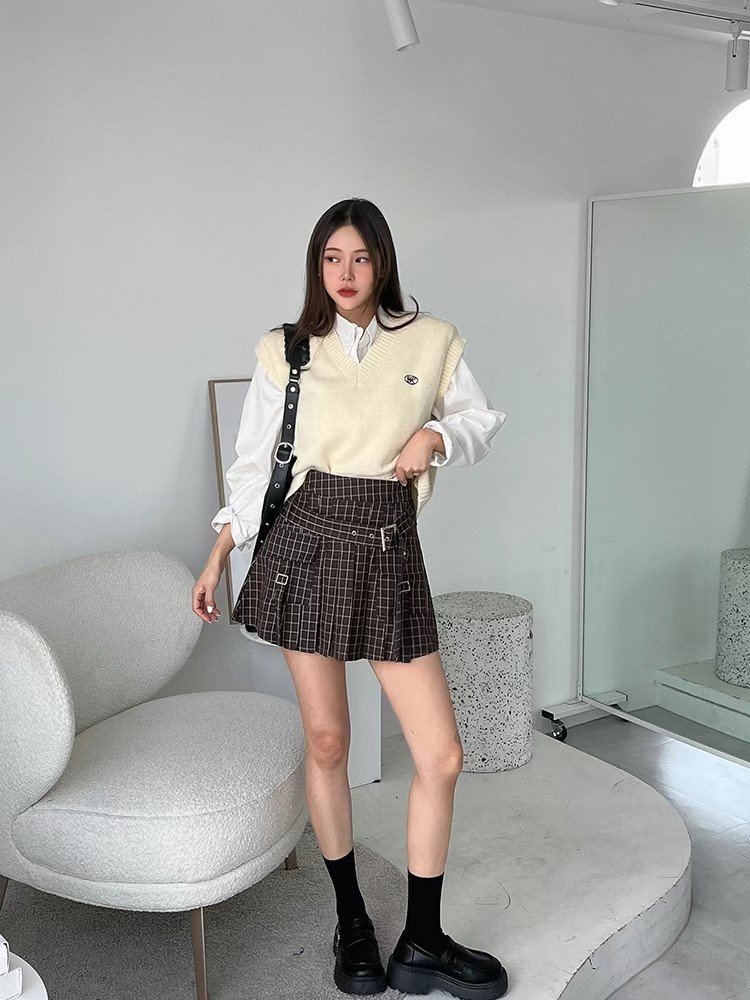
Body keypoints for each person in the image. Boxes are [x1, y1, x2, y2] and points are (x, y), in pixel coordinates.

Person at [191, 198, 509, 999]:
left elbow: (480, 419)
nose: (345, 273)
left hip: (390, 544)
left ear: (382, 263)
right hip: (308, 544)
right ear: (316, 266)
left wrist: (436, 435)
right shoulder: (287, 349)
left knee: (440, 755)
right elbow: (256, 463)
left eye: (360, 258)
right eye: (331, 258)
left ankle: (423, 940)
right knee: (328, 742)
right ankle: (352, 921)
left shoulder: (431, 339)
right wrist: (221, 550)